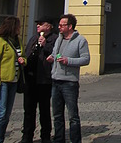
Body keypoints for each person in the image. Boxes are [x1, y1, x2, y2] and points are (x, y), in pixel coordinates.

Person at [47, 14, 90, 143]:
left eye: (62, 25)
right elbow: (55, 53)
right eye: (59, 25)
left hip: (69, 83)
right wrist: (51, 57)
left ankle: (75, 140)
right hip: (56, 81)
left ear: (70, 26)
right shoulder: (59, 39)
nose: (59, 27)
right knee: (57, 115)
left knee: (73, 116)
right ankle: (59, 139)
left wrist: (68, 61)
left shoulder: (80, 40)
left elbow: (86, 59)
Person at [20, 17, 57, 143]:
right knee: (29, 110)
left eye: (41, 24)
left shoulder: (54, 39)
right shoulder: (33, 38)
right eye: (37, 24)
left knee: (44, 110)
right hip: (31, 78)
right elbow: (27, 53)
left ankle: (45, 136)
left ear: (49, 26)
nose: (38, 26)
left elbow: (56, 54)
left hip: (44, 79)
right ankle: (27, 135)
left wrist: (45, 45)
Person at [0, 16, 26, 143]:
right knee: (0, 114)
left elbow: (23, 56)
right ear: (12, 26)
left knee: (6, 115)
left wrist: (24, 60)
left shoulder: (18, 40)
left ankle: (0, 138)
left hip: (14, 81)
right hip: (3, 81)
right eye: (18, 26)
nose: (19, 28)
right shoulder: (0, 42)